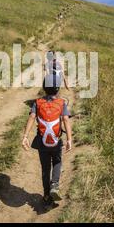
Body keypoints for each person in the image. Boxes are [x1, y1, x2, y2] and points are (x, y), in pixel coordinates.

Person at [21, 75, 73, 208]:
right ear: (58, 89)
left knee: (45, 168)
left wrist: (25, 136)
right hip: (56, 142)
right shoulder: (62, 103)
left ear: (44, 88)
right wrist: (69, 139)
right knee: (57, 161)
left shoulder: (37, 103)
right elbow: (66, 120)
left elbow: (32, 118)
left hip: (42, 142)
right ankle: (54, 185)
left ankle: (46, 196)